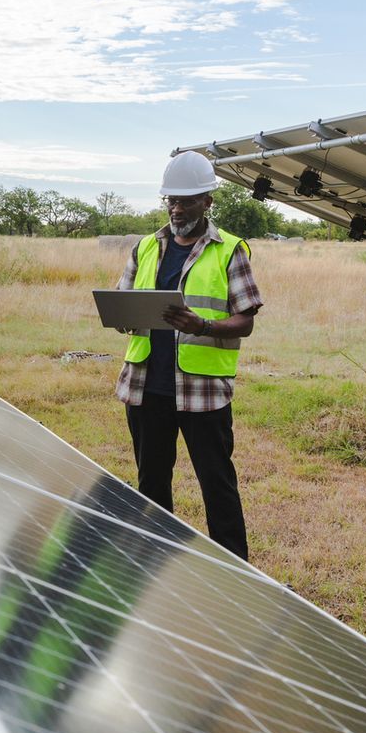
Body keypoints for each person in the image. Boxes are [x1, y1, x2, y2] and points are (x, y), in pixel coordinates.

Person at [114, 151, 264, 560]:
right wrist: (125, 317)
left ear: (207, 202)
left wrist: (203, 326)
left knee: (217, 484)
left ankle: (236, 568)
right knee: (152, 483)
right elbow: (124, 300)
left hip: (202, 391)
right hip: (147, 388)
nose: (176, 209)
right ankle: (154, 561)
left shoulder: (230, 250)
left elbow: (245, 321)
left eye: (186, 201)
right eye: (171, 201)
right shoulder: (145, 247)